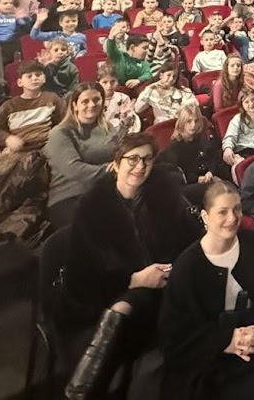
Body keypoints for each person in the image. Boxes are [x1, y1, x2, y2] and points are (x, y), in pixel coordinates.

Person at [62, 133, 203, 399]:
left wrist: (174, 269)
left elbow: (193, 241)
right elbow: (78, 280)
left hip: (171, 284)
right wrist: (134, 279)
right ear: (116, 163)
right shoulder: (92, 209)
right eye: (133, 159)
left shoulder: (164, 194)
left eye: (147, 159)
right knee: (125, 307)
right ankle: (84, 391)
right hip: (122, 292)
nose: (140, 166)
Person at [160, 180, 254, 400]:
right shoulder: (186, 267)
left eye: (237, 209)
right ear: (205, 217)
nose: (232, 218)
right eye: (223, 212)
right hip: (211, 360)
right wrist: (227, 340)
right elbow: (175, 337)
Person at [44, 83, 116, 229]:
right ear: (75, 105)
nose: (92, 105)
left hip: (104, 191)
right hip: (69, 196)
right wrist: (113, 170)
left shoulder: (108, 128)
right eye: (85, 101)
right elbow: (73, 170)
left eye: (96, 100)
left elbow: (120, 154)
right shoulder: (60, 133)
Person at [157, 101, 230, 205]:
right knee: (215, 189)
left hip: (208, 178)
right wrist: (197, 178)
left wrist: (210, 172)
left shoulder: (203, 139)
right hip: (189, 185)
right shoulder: (175, 147)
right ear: (182, 123)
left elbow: (215, 158)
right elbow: (178, 174)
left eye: (196, 121)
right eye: (189, 121)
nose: (193, 125)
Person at [222, 89, 254, 167]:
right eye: (246, 102)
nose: (251, 103)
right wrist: (228, 148)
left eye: (253, 99)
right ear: (241, 105)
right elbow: (230, 136)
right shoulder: (238, 119)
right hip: (244, 151)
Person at [105, 24, 154, 89]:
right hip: (114, 90)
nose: (147, 51)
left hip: (131, 91)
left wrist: (138, 80)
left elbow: (149, 74)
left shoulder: (143, 64)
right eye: (144, 48)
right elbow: (111, 48)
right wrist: (111, 37)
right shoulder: (119, 56)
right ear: (132, 48)